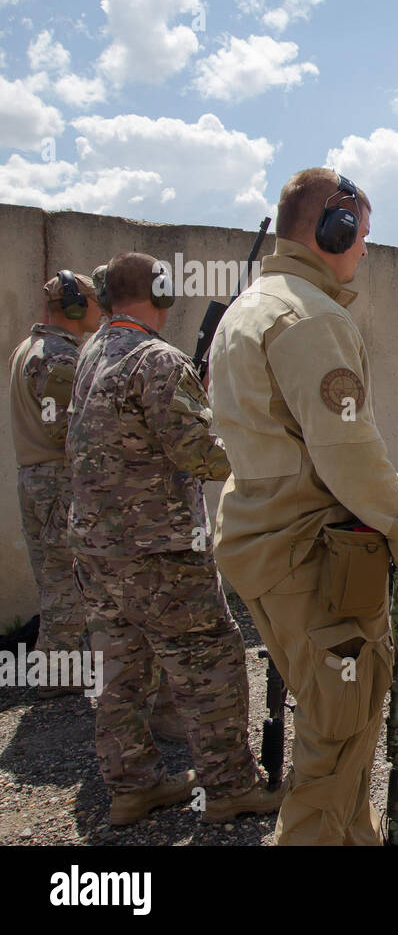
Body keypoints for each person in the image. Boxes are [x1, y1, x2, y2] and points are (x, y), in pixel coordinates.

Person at [209, 169, 398, 846]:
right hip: (312, 561)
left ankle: (354, 834)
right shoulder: (312, 319)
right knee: (337, 737)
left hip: (265, 546)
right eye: (362, 237)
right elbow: (350, 456)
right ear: (334, 230)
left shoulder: (253, 304)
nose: (365, 251)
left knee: (334, 722)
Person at [66, 252, 277, 827]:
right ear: (161, 293)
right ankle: (230, 787)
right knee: (208, 658)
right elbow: (200, 454)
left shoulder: (92, 352)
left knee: (119, 668)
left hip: (96, 545)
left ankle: (132, 788)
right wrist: (264, 459)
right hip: (158, 548)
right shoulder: (157, 359)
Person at [8, 272, 100, 695]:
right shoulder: (58, 358)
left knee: (54, 577)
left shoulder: (30, 348)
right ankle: (56, 677)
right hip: (57, 481)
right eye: (92, 301)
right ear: (75, 306)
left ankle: (56, 669)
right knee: (65, 580)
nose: (99, 309)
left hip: (39, 480)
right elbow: (58, 429)